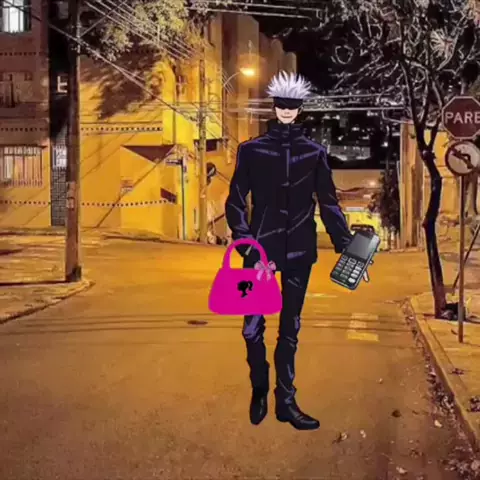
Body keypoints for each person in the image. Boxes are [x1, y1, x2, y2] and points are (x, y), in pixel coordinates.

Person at [225, 71, 370, 431]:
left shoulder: (314, 153)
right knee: (250, 329)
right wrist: (244, 238)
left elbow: (329, 204)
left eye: (293, 105)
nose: (287, 110)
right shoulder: (251, 150)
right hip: (259, 251)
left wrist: (348, 249)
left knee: (289, 331)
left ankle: (285, 403)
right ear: (274, 107)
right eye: (281, 104)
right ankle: (260, 387)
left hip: (300, 251)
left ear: (300, 108)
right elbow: (235, 199)